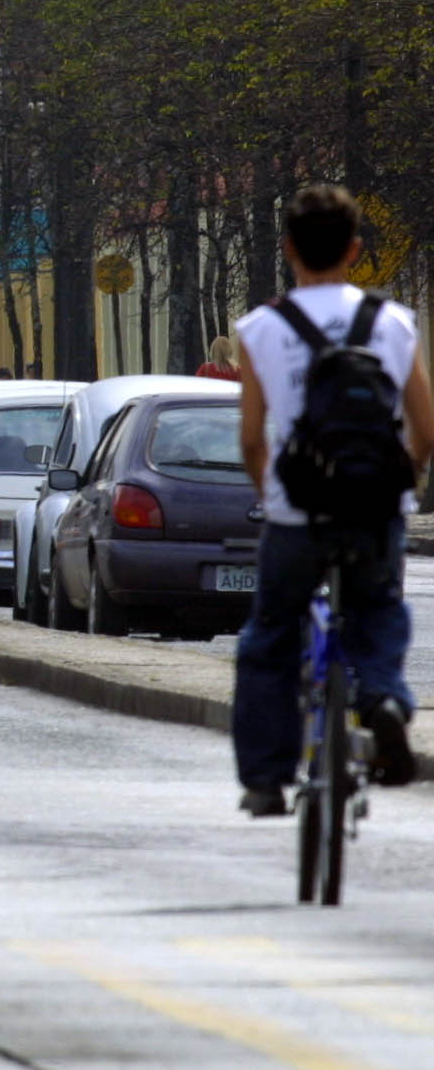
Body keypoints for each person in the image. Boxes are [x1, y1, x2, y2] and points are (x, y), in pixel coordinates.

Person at [232, 183, 434, 816]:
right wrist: (403, 483)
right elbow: (426, 431)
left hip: (298, 513)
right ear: (354, 248)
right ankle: (383, 699)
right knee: (379, 612)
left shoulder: (262, 328)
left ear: (289, 249)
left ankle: (266, 780)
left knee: (271, 636)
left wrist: (274, 496)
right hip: (374, 511)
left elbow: (251, 439)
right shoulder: (393, 323)